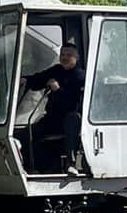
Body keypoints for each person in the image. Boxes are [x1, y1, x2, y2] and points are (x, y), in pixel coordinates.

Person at [20, 42, 86, 172]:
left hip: (71, 120)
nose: (65, 58)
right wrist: (25, 80)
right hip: (52, 118)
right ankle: (31, 167)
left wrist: (57, 89)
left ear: (76, 57)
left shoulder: (81, 76)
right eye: (62, 54)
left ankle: (71, 163)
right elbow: (39, 78)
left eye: (69, 55)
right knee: (27, 135)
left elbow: (72, 104)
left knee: (73, 118)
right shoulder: (56, 70)